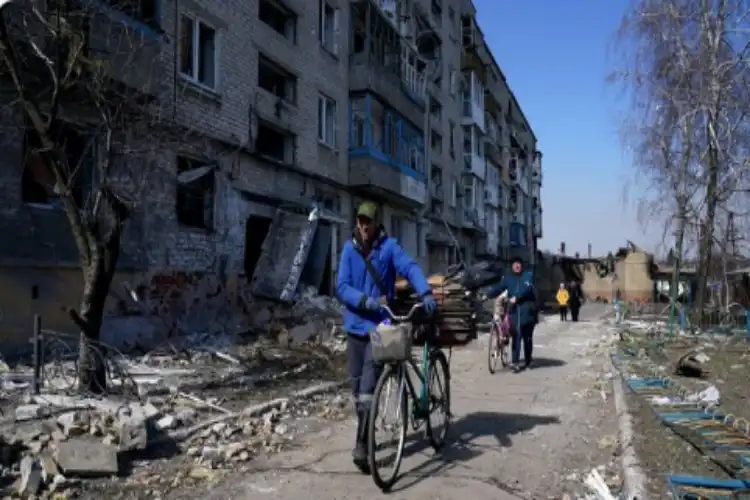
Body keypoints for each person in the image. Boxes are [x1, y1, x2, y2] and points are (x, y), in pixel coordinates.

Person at [336, 202, 437, 472]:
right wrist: (365, 301)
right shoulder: (349, 249)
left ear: (376, 222)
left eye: (368, 221)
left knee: (368, 390)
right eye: (360, 221)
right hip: (354, 328)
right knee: (357, 391)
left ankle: (361, 447)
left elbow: (410, 267)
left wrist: (425, 291)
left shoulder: (389, 247)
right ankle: (365, 435)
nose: (364, 226)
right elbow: (342, 287)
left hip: (379, 330)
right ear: (357, 222)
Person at [484, 257, 536, 372]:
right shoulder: (508, 279)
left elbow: (527, 289)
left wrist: (517, 297)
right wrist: (487, 295)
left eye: (519, 264)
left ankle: (528, 360)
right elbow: (499, 288)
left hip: (527, 311)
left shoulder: (528, 276)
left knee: (527, 338)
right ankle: (515, 362)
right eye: (514, 264)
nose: (517, 266)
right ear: (512, 266)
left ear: (522, 266)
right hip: (515, 312)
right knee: (516, 336)